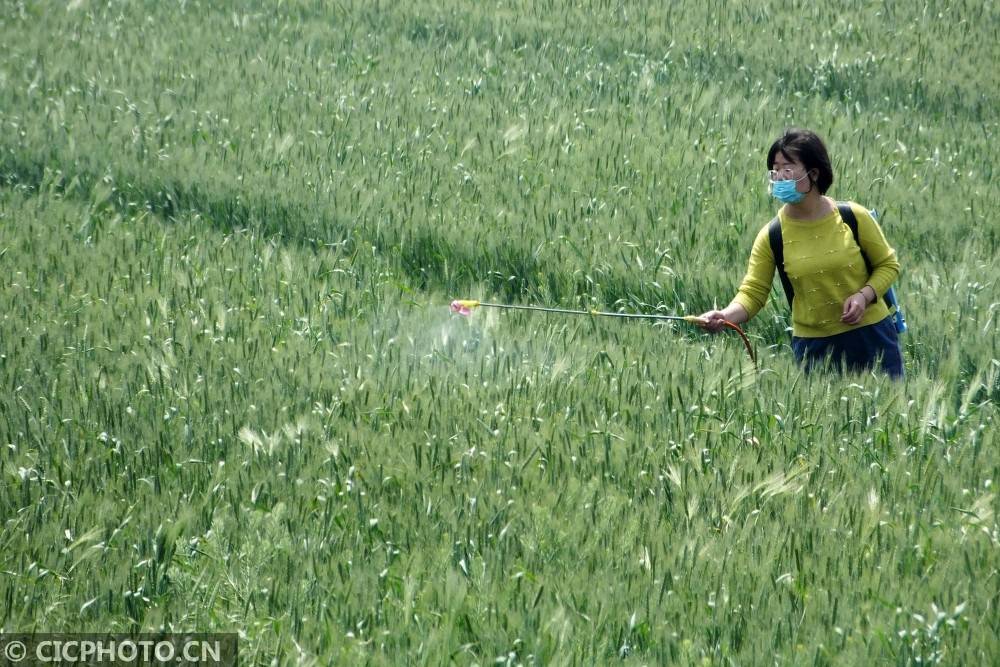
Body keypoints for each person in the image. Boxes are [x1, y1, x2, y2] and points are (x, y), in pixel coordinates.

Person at [698, 128, 904, 378]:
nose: (779, 177)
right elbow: (753, 292)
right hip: (814, 349)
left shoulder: (852, 216)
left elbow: (888, 265)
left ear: (813, 173)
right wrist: (725, 315)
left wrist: (864, 296)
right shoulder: (772, 235)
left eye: (788, 168)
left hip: (872, 338)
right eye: (775, 169)